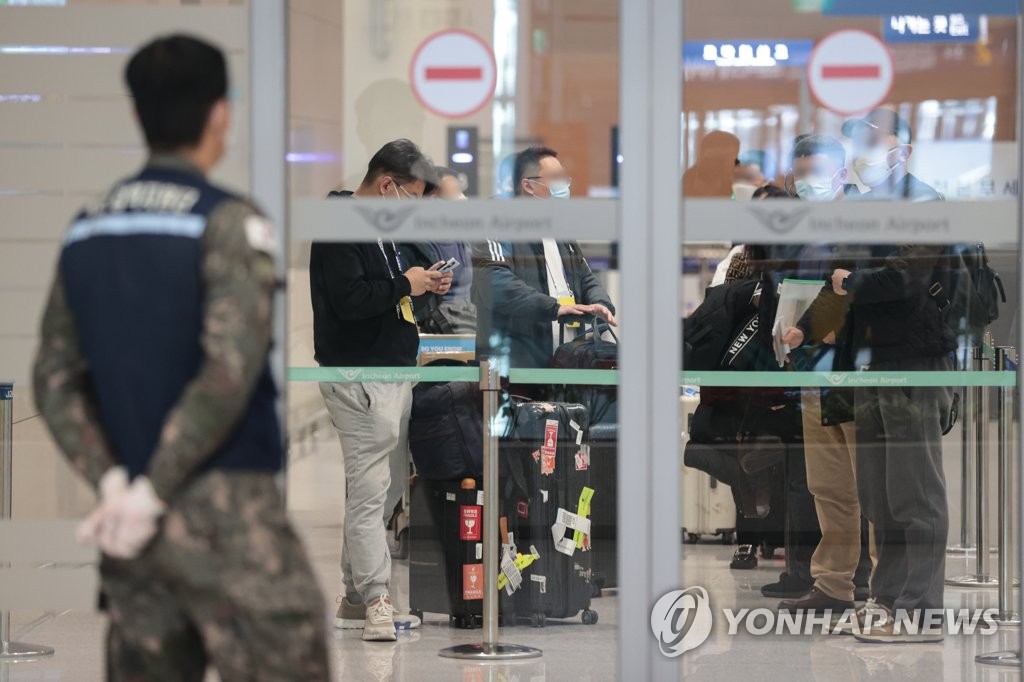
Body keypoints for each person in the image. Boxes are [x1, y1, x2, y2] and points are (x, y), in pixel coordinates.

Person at [32, 34, 330, 680]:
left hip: (134, 541)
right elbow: (228, 371)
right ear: (220, 113)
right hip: (230, 521)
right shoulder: (225, 223)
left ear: (138, 115)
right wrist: (155, 489)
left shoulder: (88, 228)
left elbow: (52, 380)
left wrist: (115, 484)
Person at [311, 139, 451, 640]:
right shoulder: (340, 225)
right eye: (412, 195)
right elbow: (350, 301)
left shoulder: (383, 229)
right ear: (387, 184)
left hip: (393, 369)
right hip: (358, 375)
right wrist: (404, 286)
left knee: (385, 490)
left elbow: (389, 288)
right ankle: (376, 599)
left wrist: (421, 284)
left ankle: (353, 596)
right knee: (370, 492)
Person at [775, 136, 873, 616]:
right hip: (814, 364)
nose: (804, 186)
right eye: (798, 178)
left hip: (857, 368)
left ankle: (881, 581)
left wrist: (838, 332)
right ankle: (833, 582)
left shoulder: (865, 218)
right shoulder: (807, 226)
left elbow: (868, 289)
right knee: (828, 483)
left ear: (839, 172)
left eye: (812, 174)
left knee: (871, 481)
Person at [473, 146, 617, 370]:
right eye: (555, 178)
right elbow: (495, 281)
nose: (564, 186)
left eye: (564, 178)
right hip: (514, 363)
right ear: (528, 185)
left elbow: (585, 276)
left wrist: (600, 303)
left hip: (566, 359)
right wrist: (553, 308)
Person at [399, 167, 477, 334]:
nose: (462, 199)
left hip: (467, 326)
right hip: (433, 331)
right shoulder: (411, 242)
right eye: (455, 192)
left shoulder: (464, 237)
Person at [844, 108, 943, 201]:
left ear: (903, 153)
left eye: (872, 141)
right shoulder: (863, 202)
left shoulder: (923, 198)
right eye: (858, 145)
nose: (861, 154)